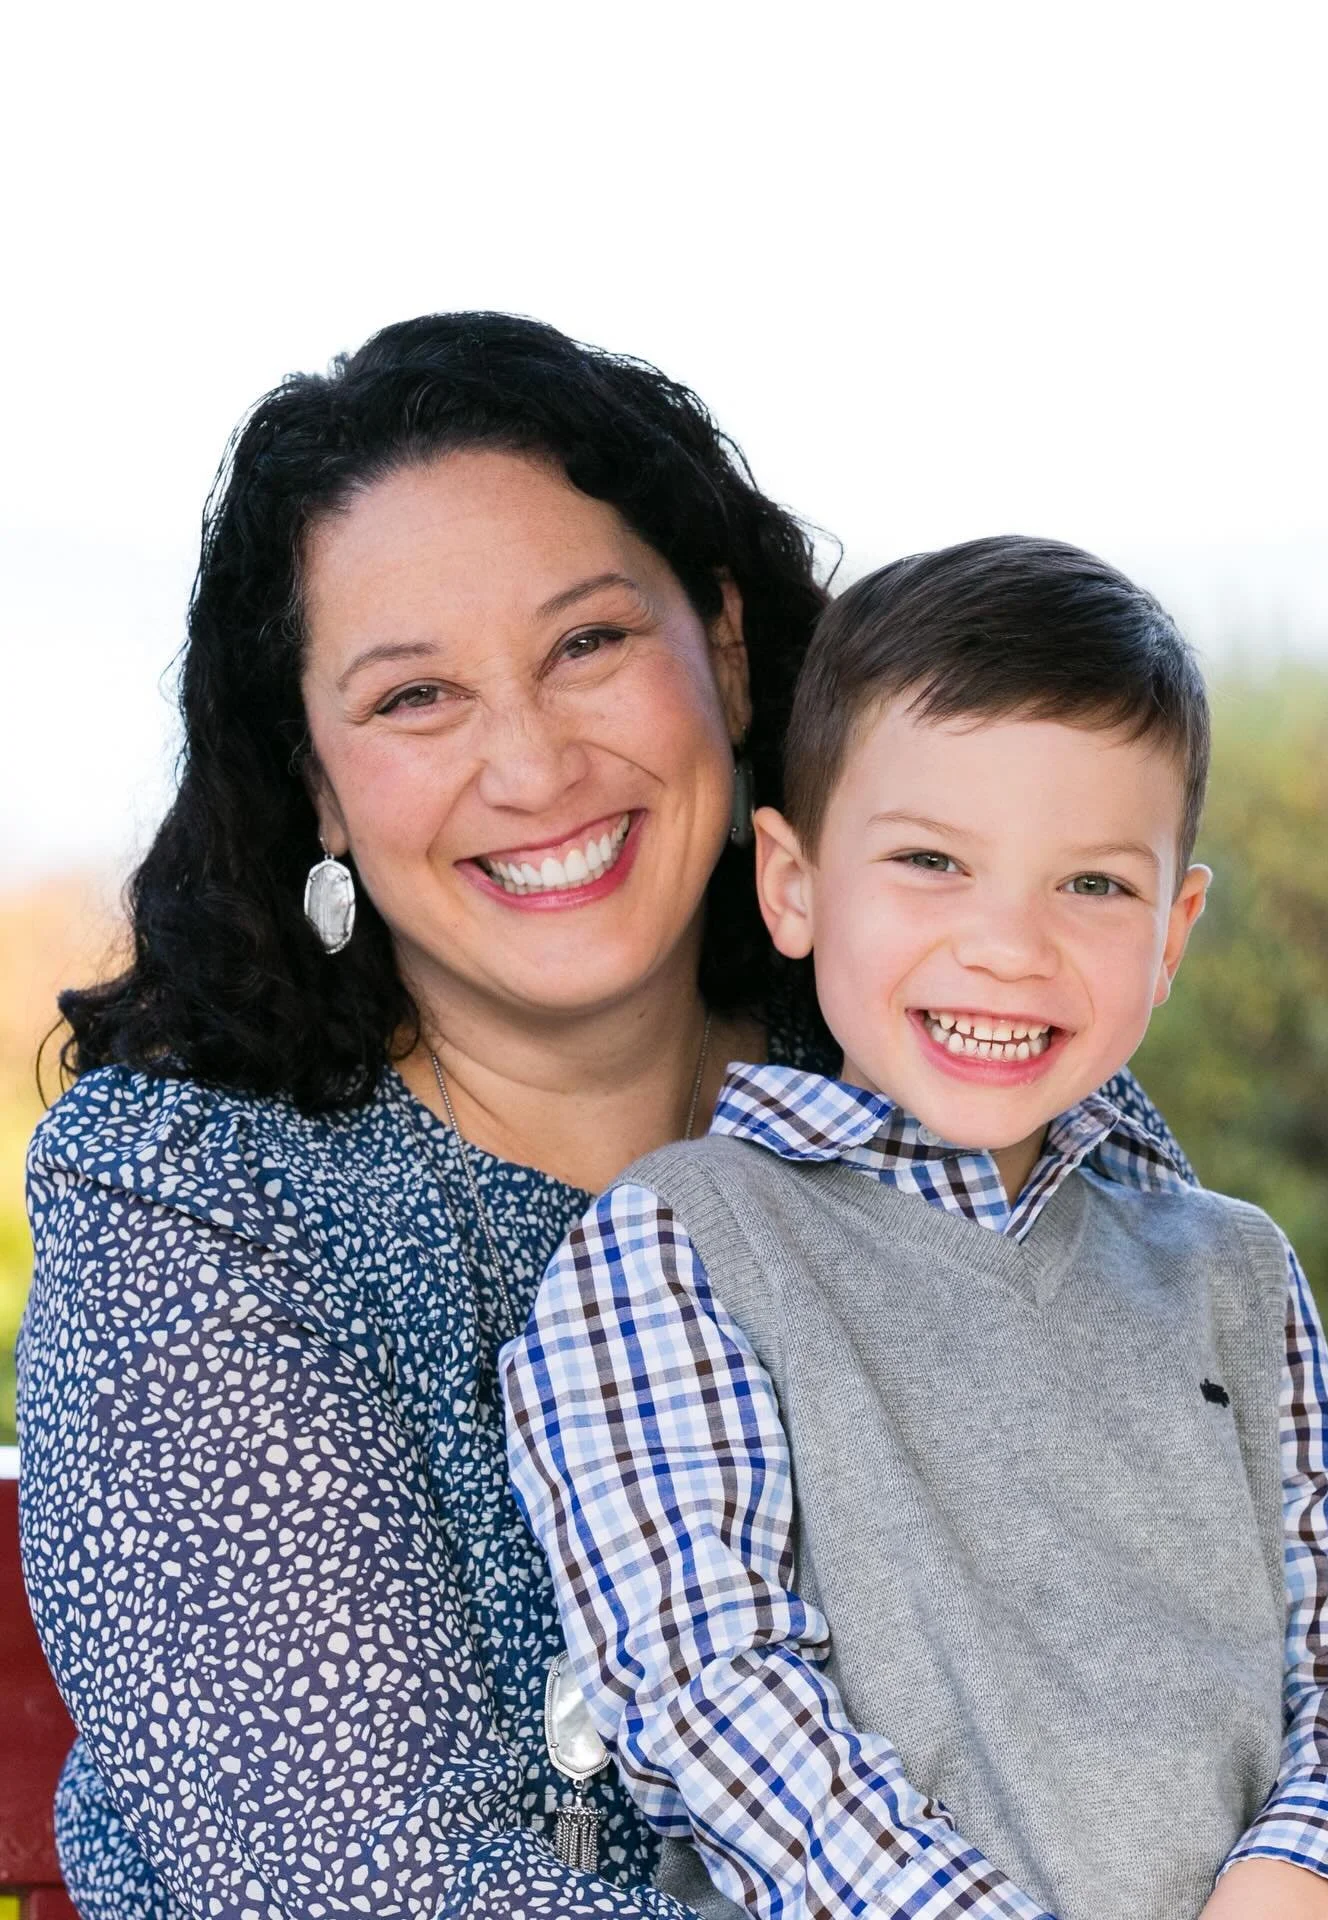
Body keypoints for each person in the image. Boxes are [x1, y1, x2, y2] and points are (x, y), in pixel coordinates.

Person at [15, 315, 1189, 1920]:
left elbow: (1238, 1620)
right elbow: (376, 1888)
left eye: (586, 646)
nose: (532, 764)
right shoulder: (197, 1211)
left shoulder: (966, 1071)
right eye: (416, 696)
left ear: (723, 640)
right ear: (319, 784)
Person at [503, 539, 1328, 1920]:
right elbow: (715, 1695)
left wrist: (1306, 1880)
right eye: (933, 861)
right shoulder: (680, 1246)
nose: (1009, 944)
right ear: (794, 883)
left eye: (1094, 886)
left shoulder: (1232, 1272)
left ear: (1174, 931)